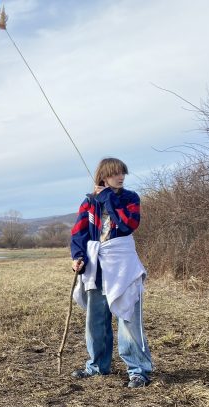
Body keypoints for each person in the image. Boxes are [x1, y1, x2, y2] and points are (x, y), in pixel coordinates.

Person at [69, 157, 153, 388]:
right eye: (115, 173)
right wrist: (78, 257)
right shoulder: (89, 202)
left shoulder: (129, 198)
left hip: (124, 266)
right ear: (104, 175)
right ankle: (97, 367)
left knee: (129, 319)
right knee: (96, 321)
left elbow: (127, 225)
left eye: (123, 172)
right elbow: (79, 234)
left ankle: (138, 371)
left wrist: (107, 198)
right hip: (96, 268)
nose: (121, 176)